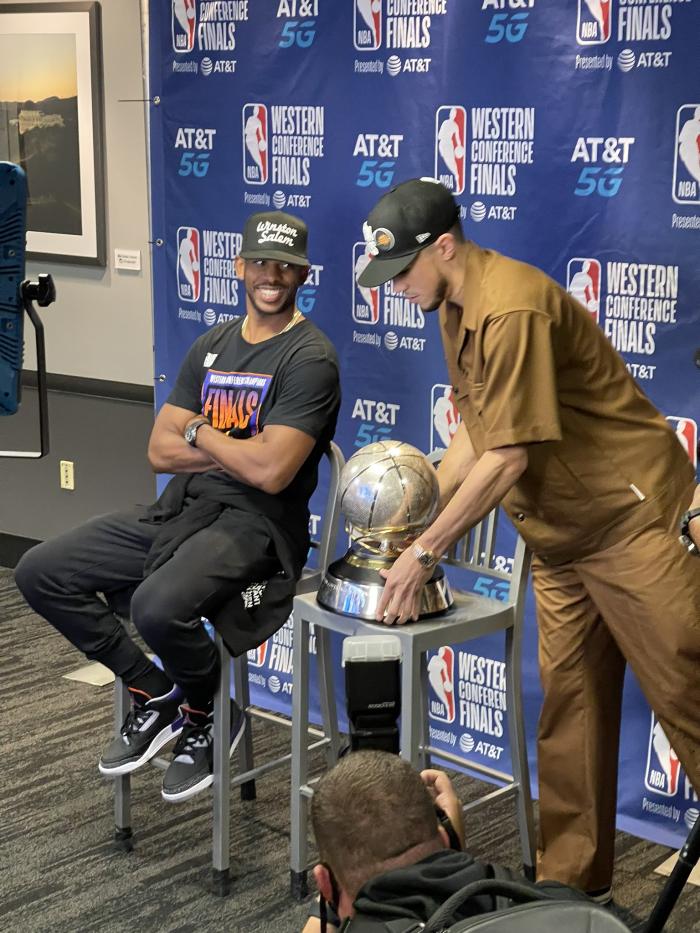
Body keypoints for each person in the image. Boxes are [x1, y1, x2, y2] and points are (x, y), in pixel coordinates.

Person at [356, 178, 700, 899]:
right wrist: (412, 516)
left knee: (688, 689)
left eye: (402, 270)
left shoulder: (511, 306)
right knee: (570, 715)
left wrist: (426, 553)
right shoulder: (451, 305)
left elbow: (509, 456)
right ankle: (570, 893)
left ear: (443, 247)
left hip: (631, 522)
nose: (395, 287)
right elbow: (477, 432)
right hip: (562, 537)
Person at [15, 210, 340, 803]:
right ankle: (156, 692)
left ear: (303, 275)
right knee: (41, 570)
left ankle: (210, 713)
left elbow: (271, 473)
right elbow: (159, 451)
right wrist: (235, 447)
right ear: (239, 268)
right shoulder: (211, 345)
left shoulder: (309, 358)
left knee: (156, 606)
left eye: (285, 266)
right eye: (260, 262)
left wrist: (201, 433)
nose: (271, 276)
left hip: (260, 527)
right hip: (183, 510)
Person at [303, 751, 584, 932]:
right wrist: (453, 853)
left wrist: (326, 905)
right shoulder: (568, 907)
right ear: (445, 837)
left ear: (325, 884)